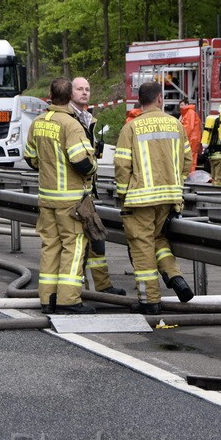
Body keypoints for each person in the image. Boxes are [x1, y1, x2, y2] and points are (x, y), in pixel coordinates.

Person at [114, 80, 194, 315]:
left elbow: (121, 165)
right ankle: (176, 277)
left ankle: (150, 300)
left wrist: (123, 195)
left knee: (142, 247)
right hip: (169, 199)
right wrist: (176, 186)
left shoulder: (131, 127)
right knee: (158, 240)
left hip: (140, 201)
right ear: (160, 99)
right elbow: (187, 160)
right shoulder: (176, 125)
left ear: (140, 101)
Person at [25, 77, 98, 315]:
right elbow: (81, 161)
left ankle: (48, 298)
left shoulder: (37, 122)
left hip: (46, 198)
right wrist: (94, 166)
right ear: (69, 98)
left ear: (50, 94)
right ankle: (68, 300)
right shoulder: (71, 124)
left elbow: (30, 158)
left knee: (50, 247)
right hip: (71, 201)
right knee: (74, 247)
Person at [70, 76, 126, 297]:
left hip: (86, 192)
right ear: (70, 92)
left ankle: (102, 286)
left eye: (87, 89)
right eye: (80, 89)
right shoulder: (70, 119)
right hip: (73, 192)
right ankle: (75, 291)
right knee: (80, 245)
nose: (85, 92)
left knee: (96, 237)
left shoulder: (89, 120)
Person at [201, 101, 221, 186]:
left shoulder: (213, 122)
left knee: (215, 179)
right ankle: (220, 197)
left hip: (212, 155)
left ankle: (213, 195)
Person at [177, 97, 202, 173]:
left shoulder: (189, 113)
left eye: (182, 105)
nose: (181, 106)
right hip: (191, 139)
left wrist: (180, 137)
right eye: (180, 105)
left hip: (191, 139)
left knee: (190, 157)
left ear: (187, 104)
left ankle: (190, 174)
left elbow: (188, 127)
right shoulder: (186, 113)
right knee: (190, 157)